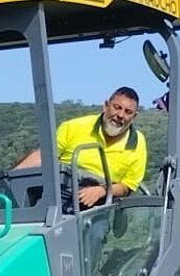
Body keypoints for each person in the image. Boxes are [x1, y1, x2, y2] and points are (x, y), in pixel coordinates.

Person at [13, 87, 148, 210]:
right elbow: (43, 156)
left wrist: (101, 190)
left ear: (134, 116)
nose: (120, 115)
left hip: (100, 204)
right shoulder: (73, 127)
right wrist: (9, 179)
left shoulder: (138, 144)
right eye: (117, 107)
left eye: (128, 112)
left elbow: (127, 186)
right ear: (106, 106)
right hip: (59, 193)